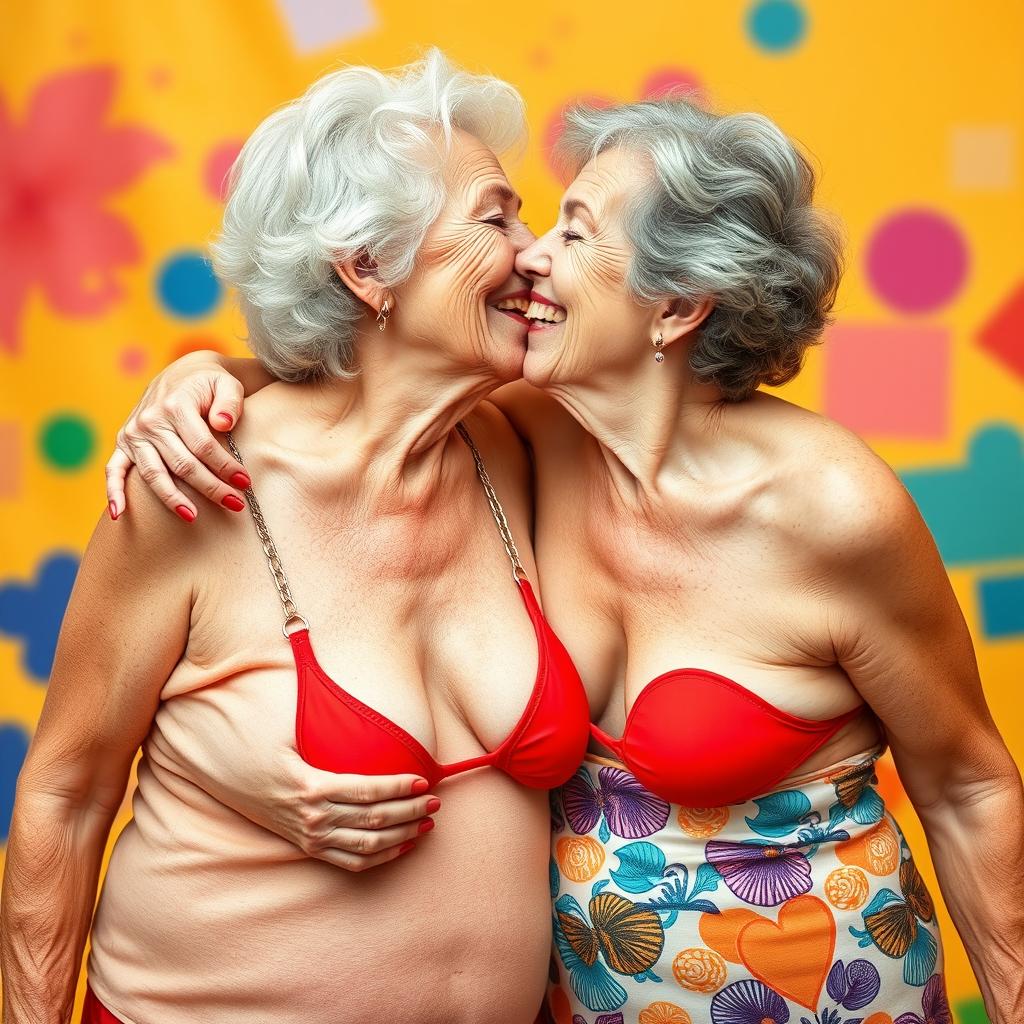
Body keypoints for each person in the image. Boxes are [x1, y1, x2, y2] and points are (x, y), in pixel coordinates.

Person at [101, 97, 1024, 1022]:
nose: (532, 251)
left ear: (678, 308)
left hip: (834, 992)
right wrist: (200, 381)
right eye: (524, 221)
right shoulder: (528, 443)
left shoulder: (832, 507)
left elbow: (967, 784)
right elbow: (369, 370)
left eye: (574, 234)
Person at [0, 52, 591, 1024]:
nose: (533, 252)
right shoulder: (197, 482)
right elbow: (60, 799)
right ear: (366, 268)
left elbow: (676, 382)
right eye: (496, 216)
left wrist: (209, 366)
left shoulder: (519, 443)